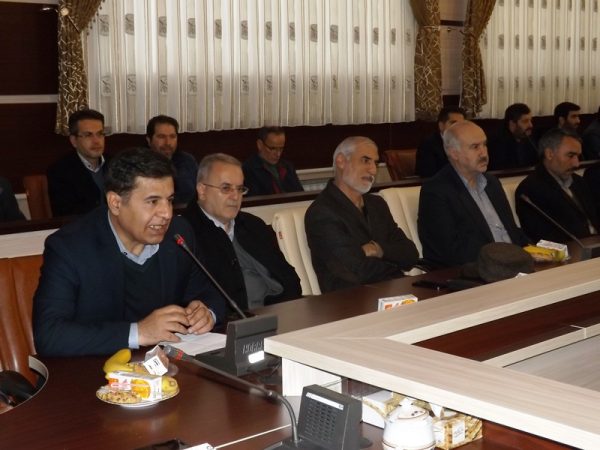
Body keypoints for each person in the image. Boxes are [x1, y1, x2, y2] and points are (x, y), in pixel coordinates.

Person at [33, 148, 226, 357]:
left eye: (169, 200)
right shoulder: (70, 248)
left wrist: (207, 313)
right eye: (153, 201)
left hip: (167, 367)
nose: (166, 213)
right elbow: (49, 335)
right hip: (97, 369)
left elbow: (212, 293)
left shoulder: (178, 234)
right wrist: (138, 332)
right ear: (116, 203)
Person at [182, 153, 301, 312]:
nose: (235, 196)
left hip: (281, 311)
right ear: (202, 190)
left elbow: (290, 278)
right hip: (231, 321)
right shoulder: (185, 234)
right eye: (226, 188)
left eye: (240, 189)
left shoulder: (254, 225)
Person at [305, 136, 418, 293]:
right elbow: (355, 271)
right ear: (341, 161)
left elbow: (410, 254)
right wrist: (393, 261)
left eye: (375, 163)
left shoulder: (377, 204)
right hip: (350, 299)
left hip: (392, 290)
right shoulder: (322, 213)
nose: (373, 170)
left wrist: (378, 249)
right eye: (365, 161)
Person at [418, 121, 528, 269]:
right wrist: (501, 259)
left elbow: (511, 230)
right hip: (480, 269)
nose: (484, 153)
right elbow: (448, 250)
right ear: (454, 153)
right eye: (475, 147)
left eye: (485, 145)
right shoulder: (436, 191)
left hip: (515, 264)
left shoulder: (492, 183)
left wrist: (536, 250)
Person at [516, 128, 599, 244]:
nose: (576, 163)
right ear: (549, 154)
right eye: (570, 155)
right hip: (571, 250)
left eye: (578, 156)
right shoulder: (529, 189)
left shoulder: (579, 181)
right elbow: (543, 239)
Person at [47, 109, 107, 216]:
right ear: (74, 141)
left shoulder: (117, 164)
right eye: (88, 135)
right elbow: (65, 215)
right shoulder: (60, 172)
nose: (96, 141)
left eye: (100, 134)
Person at [146, 115, 198, 205]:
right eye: (161, 137)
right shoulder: (140, 165)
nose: (168, 143)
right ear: (149, 140)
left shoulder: (187, 161)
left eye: (172, 136)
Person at [243, 126, 304, 196]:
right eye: (272, 148)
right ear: (260, 145)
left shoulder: (287, 167)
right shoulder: (248, 169)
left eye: (281, 148)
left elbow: (300, 195)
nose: (278, 154)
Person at [415, 106, 466, 177]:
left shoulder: (467, 142)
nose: (458, 127)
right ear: (441, 126)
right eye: (453, 123)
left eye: (461, 124)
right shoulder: (428, 145)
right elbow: (428, 174)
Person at [487, 103, 538, 170]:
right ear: (512, 124)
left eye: (530, 121)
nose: (531, 125)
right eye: (525, 121)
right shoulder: (496, 143)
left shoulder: (529, 138)